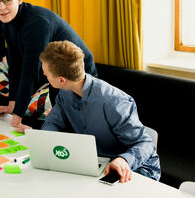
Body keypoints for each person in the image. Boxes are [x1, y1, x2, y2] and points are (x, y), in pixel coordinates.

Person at [0, 0, 97, 131]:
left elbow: (30, 71)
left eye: (7, 0)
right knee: (60, 119)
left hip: (78, 72)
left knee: (78, 124)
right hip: (55, 73)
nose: (2, 8)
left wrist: (17, 116)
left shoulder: (36, 23)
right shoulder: (8, 21)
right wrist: (12, 105)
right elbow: (15, 65)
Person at [40, 40, 161, 182]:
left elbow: (145, 144)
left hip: (134, 168)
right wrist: (47, 142)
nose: (44, 75)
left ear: (61, 80)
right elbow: (52, 123)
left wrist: (123, 160)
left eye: (46, 74)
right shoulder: (65, 93)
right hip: (95, 163)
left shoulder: (114, 102)